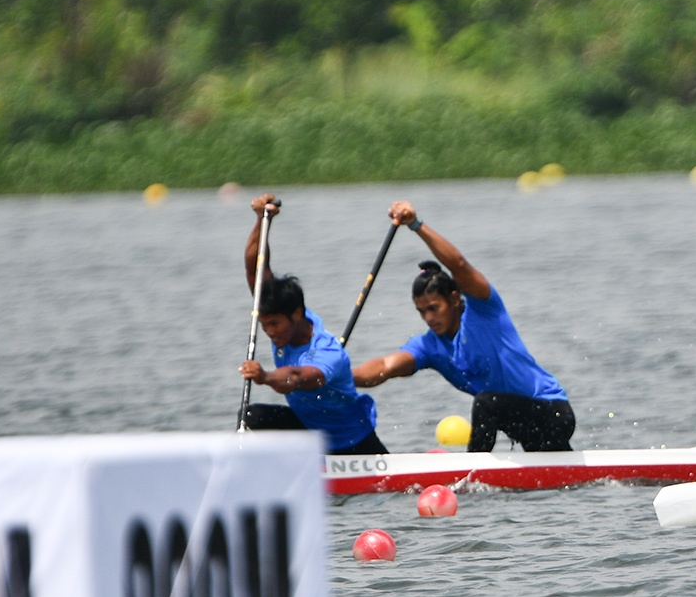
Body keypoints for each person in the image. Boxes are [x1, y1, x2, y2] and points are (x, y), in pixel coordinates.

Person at [353, 201, 575, 451]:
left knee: (485, 403)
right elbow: (385, 367)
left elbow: (459, 265)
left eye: (433, 308)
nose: (428, 318)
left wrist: (415, 225)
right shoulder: (429, 346)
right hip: (520, 423)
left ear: (455, 299)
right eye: (421, 311)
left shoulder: (484, 309)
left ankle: (469, 481)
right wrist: (339, 377)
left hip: (553, 412)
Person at [239, 194, 386, 455]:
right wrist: (263, 221)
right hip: (309, 431)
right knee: (251, 417)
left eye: (274, 324)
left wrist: (264, 377)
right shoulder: (283, 311)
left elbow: (295, 378)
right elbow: (255, 269)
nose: (270, 332)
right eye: (264, 325)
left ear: (297, 314)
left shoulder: (328, 353)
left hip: (351, 444)